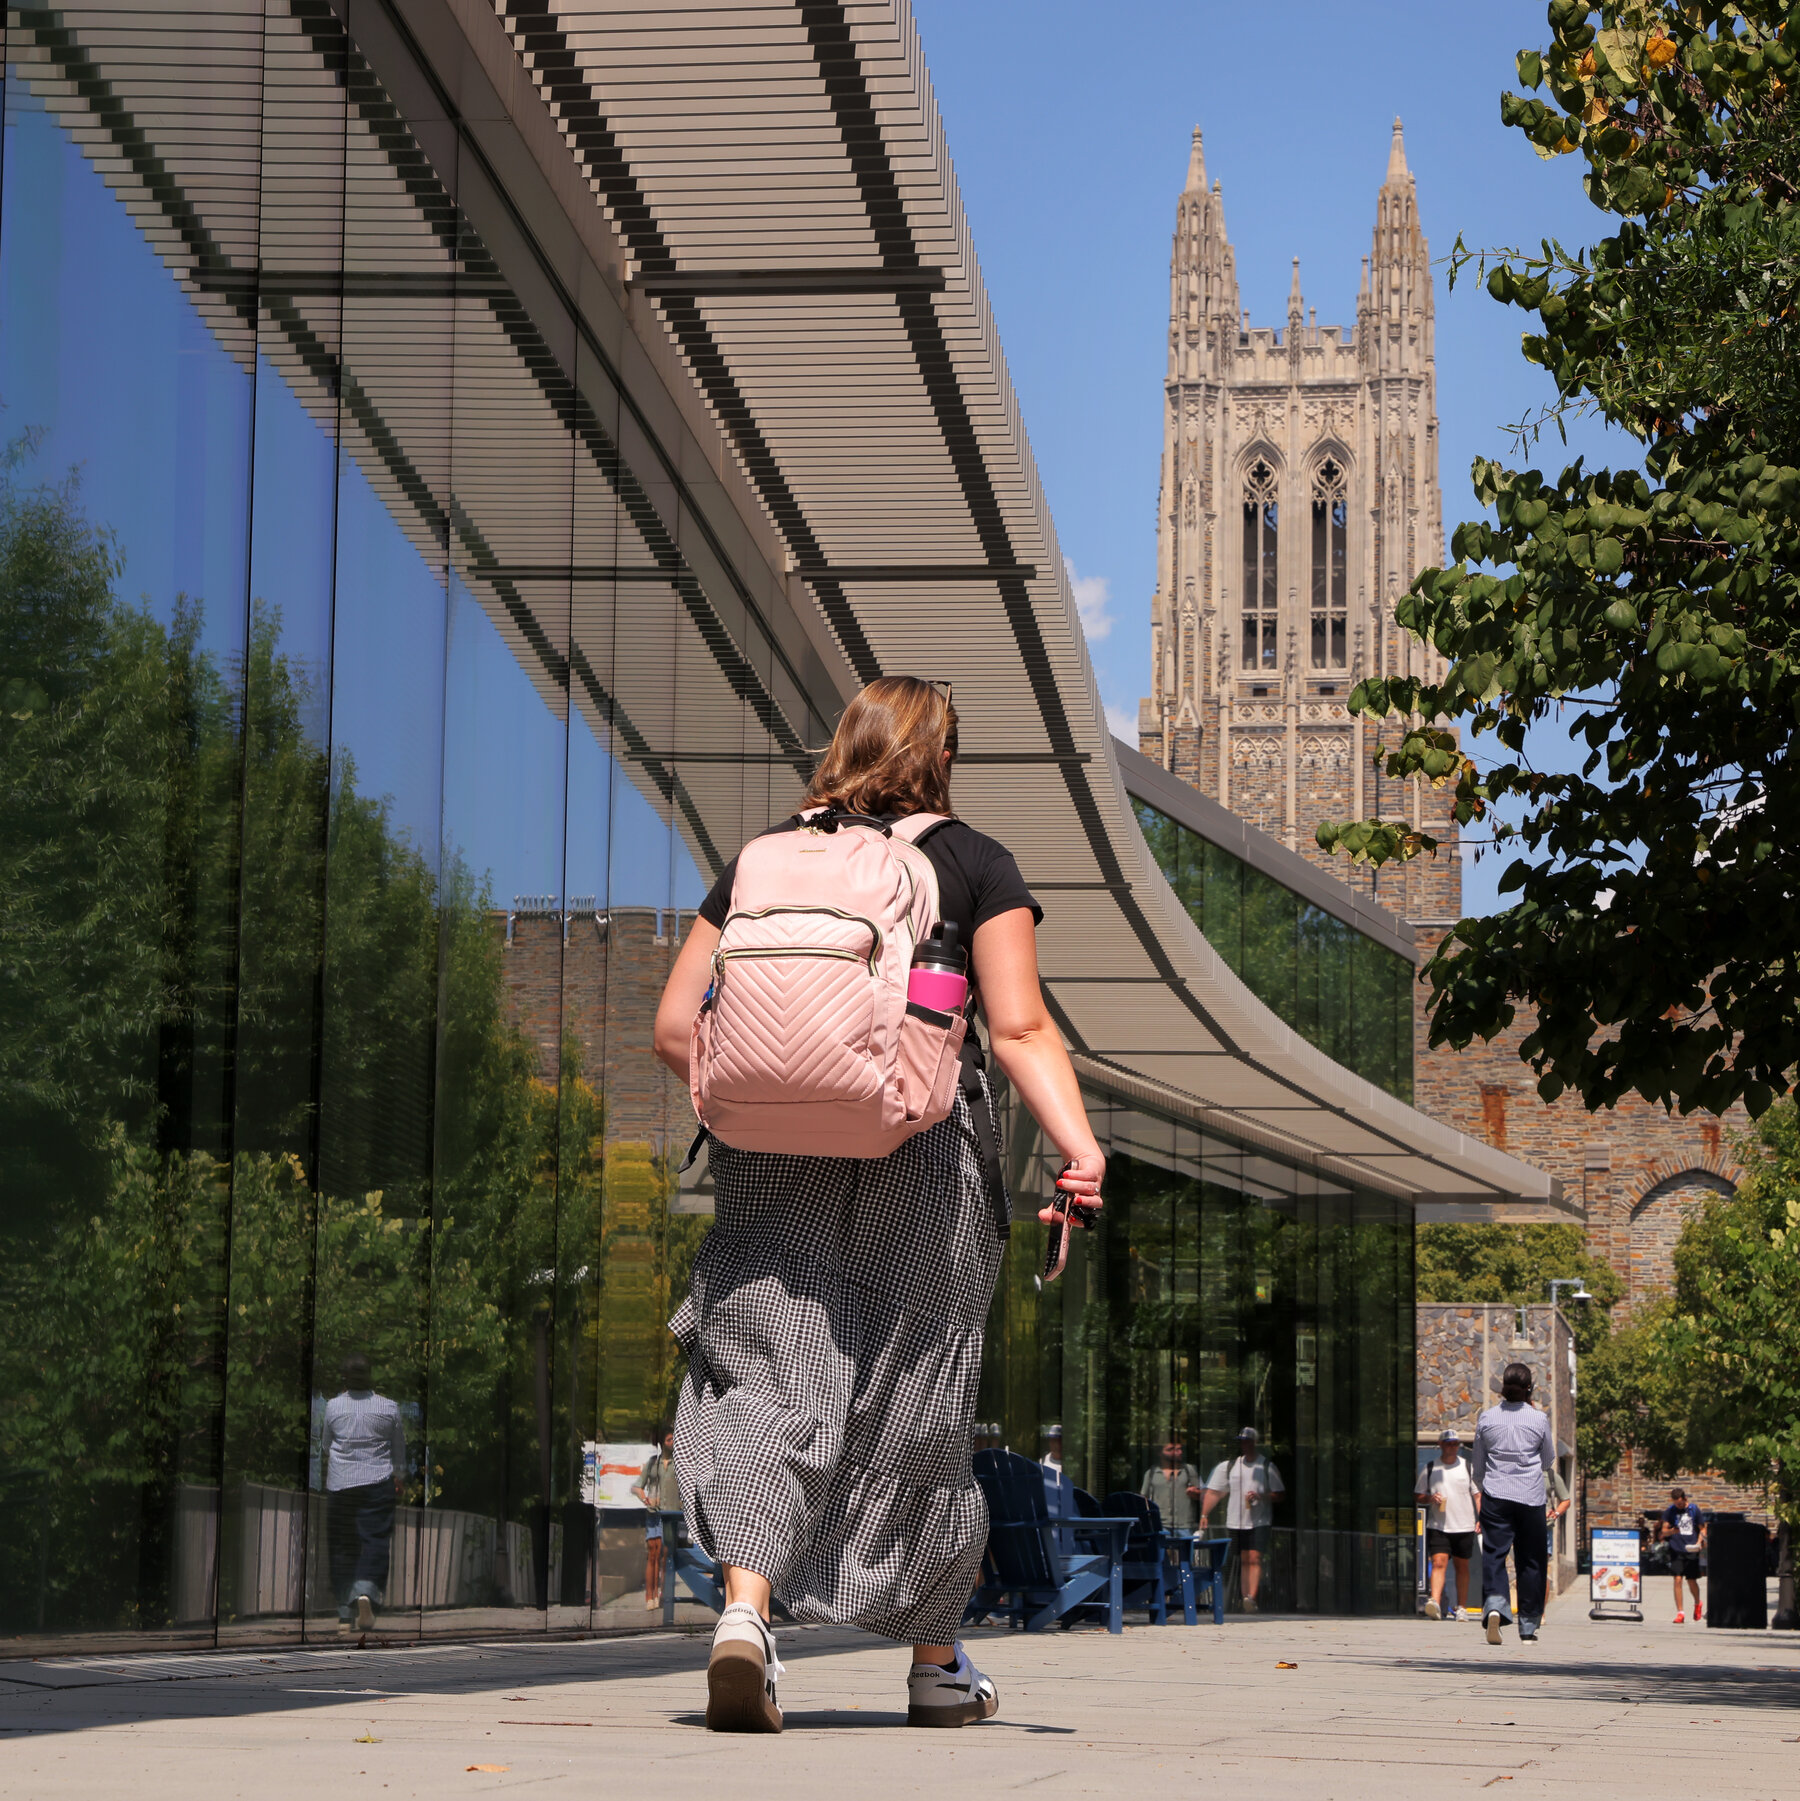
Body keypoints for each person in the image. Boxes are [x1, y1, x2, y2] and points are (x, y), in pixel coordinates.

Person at [653, 676, 1106, 1733]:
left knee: (768, 1370)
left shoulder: (767, 859)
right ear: (942, 756)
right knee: (915, 1392)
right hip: (924, 1145)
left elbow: (679, 1026)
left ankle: (748, 1616)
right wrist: (1080, 1153)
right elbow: (1023, 1029)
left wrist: (776, 1093)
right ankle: (936, 1664)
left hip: (768, 1150)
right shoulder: (972, 862)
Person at [1470, 1360, 1555, 1644]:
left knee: (1494, 1554)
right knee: (1531, 1560)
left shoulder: (1487, 1418)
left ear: (1501, 1389)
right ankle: (1529, 1625)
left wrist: (1487, 1483)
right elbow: (1548, 1460)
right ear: (1529, 1389)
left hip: (1496, 1495)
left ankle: (1495, 1605)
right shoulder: (1538, 1419)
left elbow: (1478, 1465)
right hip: (1530, 1497)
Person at [321, 1353, 406, 1633]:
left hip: (341, 1485)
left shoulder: (333, 1407)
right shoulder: (388, 1407)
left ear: (344, 1378)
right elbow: (399, 1450)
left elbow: (325, 1445)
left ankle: (344, 1613)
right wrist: (400, 1476)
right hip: (377, 1482)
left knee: (343, 1545)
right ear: (370, 1376)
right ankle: (365, 1592)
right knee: (374, 1540)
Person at [1202, 1428, 1286, 1611]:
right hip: (1236, 1520)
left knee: (1254, 1557)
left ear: (1255, 1443)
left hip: (1259, 1520)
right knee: (1244, 1557)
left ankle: (1251, 1597)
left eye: (1248, 1441)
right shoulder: (1230, 1466)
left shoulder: (1265, 1466)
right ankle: (1245, 1598)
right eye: (1242, 1441)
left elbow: (1279, 1495)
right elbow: (1215, 1491)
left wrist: (1261, 1496)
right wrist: (1204, 1514)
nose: (1244, 1444)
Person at [1416, 1429, 1480, 1621]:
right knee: (1438, 1563)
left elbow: (1478, 1495)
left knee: (1462, 1566)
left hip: (1464, 1525)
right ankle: (1434, 1603)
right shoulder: (1430, 1468)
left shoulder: (1468, 1467)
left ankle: (1461, 1607)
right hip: (1438, 1525)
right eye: (1448, 1443)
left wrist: (1481, 1518)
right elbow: (1417, 1495)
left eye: (1455, 1443)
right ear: (1440, 1445)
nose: (1452, 1446)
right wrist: (1430, 1497)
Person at [631, 1423, 682, 1611]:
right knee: (652, 1554)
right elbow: (637, 1486)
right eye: (669, 1439)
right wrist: (645, 1498)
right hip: (654, 1514)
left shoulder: (680, 1463)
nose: (673, 1442)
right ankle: (649, 1596)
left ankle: (661, 1594)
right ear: (663, 1442)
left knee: (664, 1555)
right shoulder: (653, 1463)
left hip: (671, 1515)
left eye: (673, 1439)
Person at [1660, 1487, 1708, 1623]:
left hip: (1691, 1548)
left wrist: (1699, 1542)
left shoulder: (1694, 1510)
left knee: (1691, 1580)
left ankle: (1697, 1602)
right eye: (1676, 1504)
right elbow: (1664, 1531)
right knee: (1677, 1579)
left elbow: (1702, 1528)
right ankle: (1680, 1612)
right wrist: (1672, 1531)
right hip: (1676, 1548)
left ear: (1685, 1499)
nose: (1678, 1506)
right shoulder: (1670, 1511)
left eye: (1680, 1504)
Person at [1141, 1441, 1204, 1531]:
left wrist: (1196, 1493)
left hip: (1185, 1525)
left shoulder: (1189, 1470)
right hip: (1160, 1525)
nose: (1178, 1452)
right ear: (1160, 1453)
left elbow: (1205, 1495)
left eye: (1179, 1449)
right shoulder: (1151, 1473)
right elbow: (1144, 1498)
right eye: (1171, 1449)